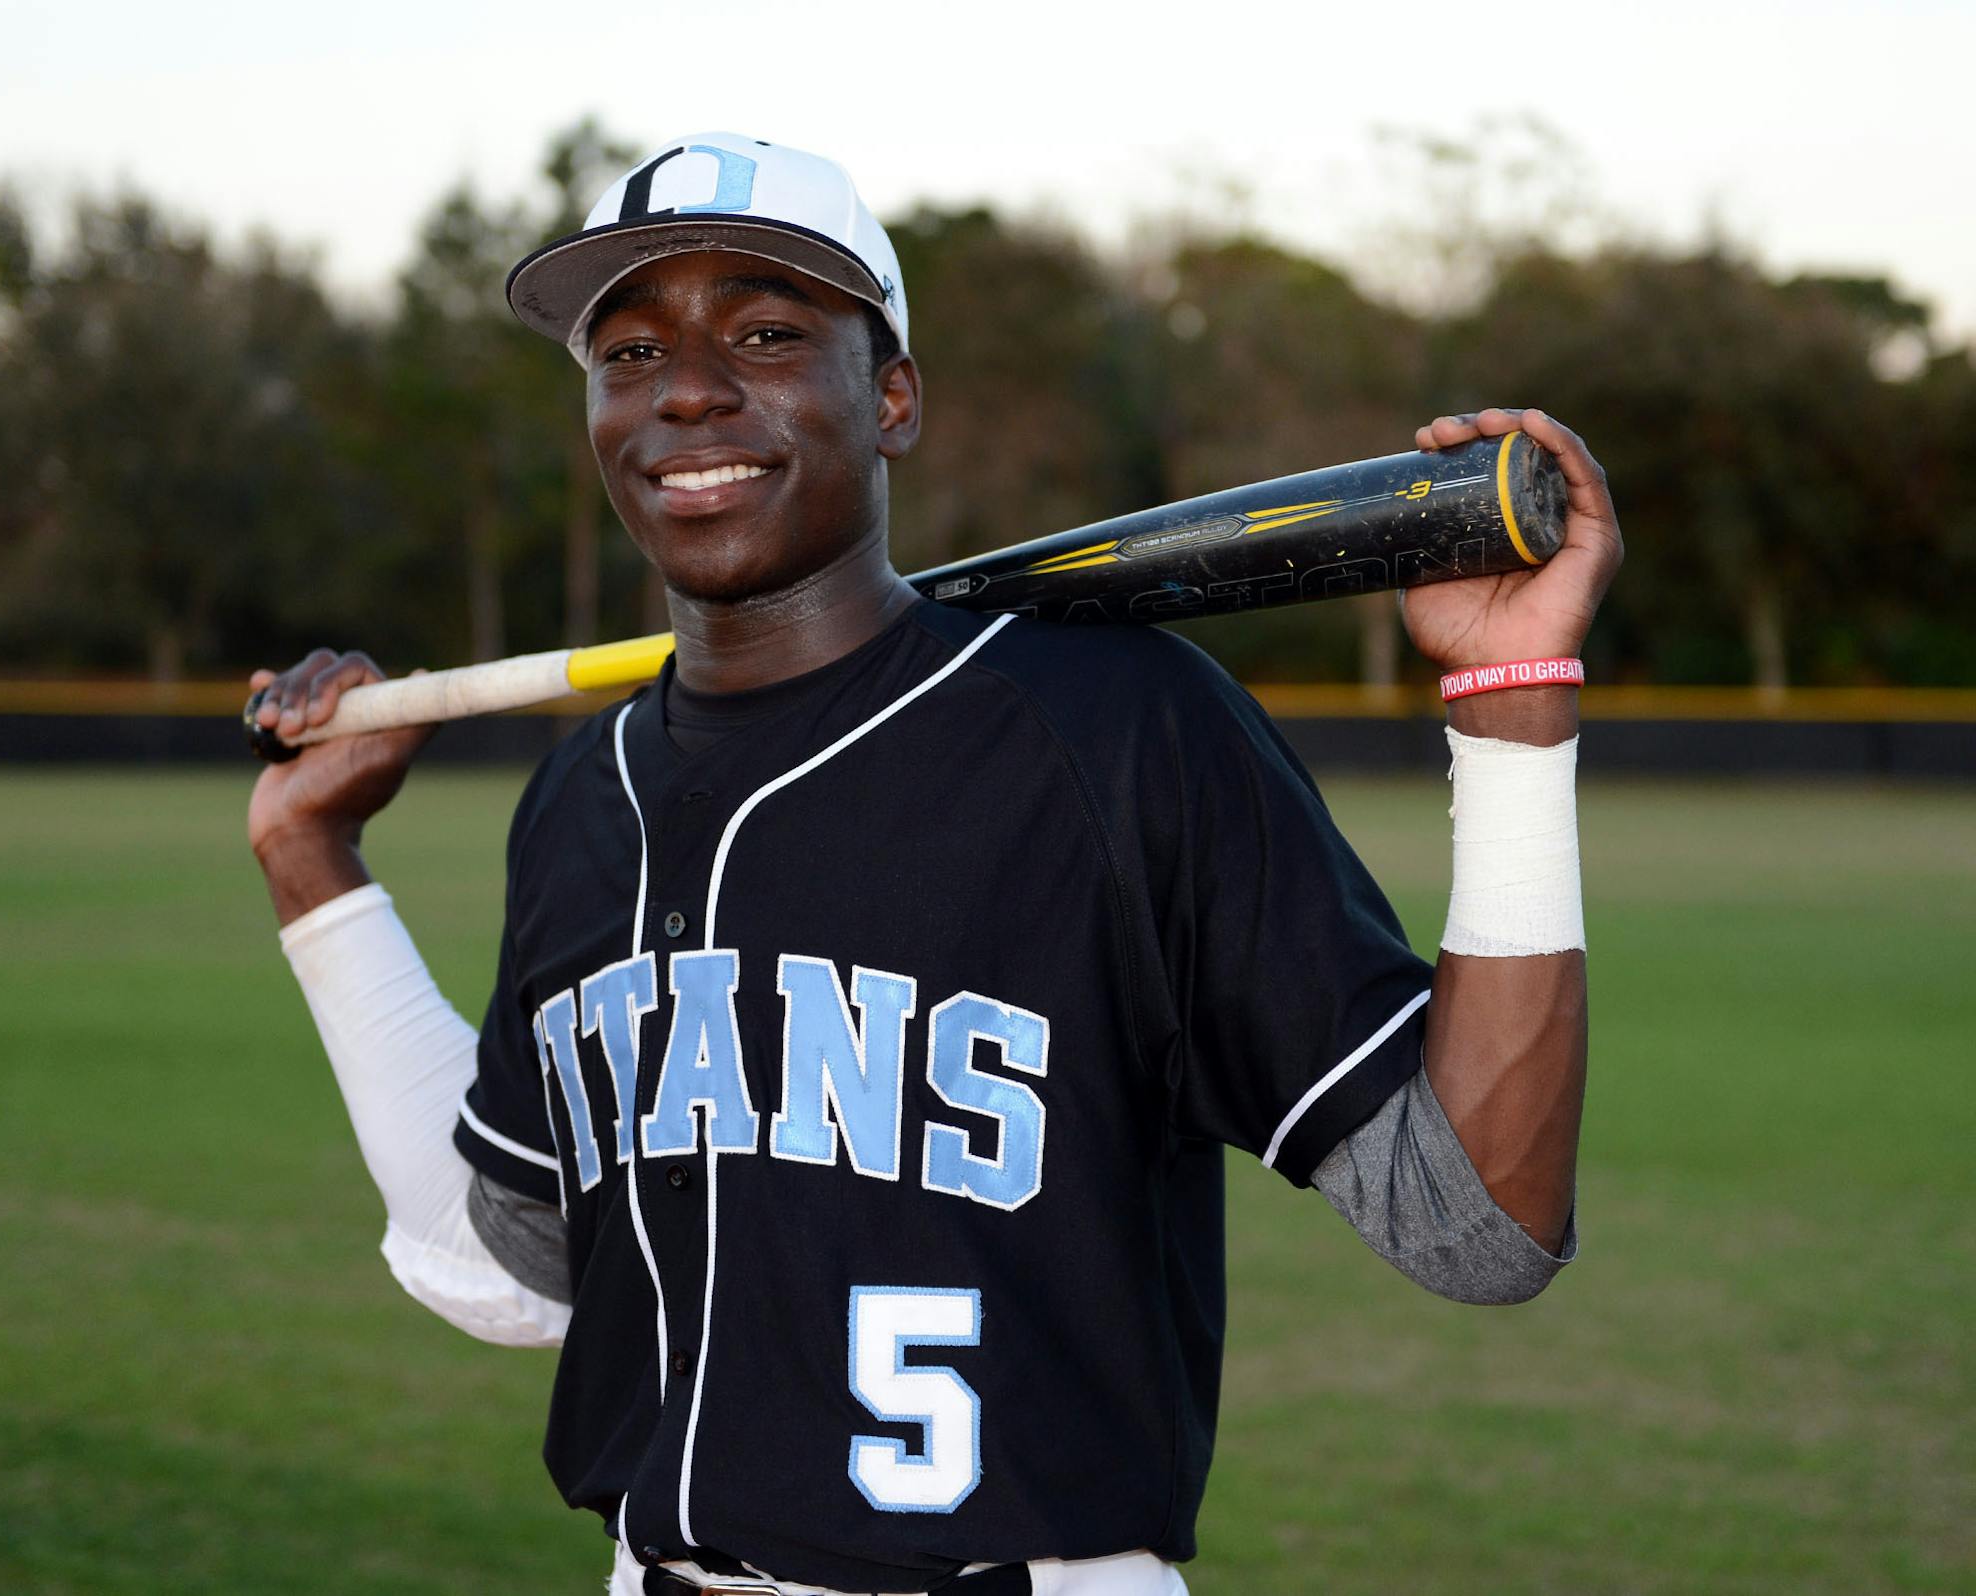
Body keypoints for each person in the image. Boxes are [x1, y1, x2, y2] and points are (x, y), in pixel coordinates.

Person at [246, 133, 1623, 1596]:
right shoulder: (586, 795)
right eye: (632, 351)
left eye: (769, 333)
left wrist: (1515, 709)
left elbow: (1477, 1224)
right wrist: (314, 868)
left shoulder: (1116, 732)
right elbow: (508, 1264)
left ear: (891, 397)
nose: (690, 388)